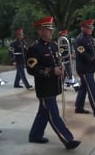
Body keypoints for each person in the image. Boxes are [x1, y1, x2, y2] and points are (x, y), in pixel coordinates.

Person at [26, 16, 80, 149]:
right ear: (40, 31)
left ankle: (35, 135)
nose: (51, 32)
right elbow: (31, 69)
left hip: (54, 85)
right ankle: (68, 139)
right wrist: (51, 71)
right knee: (53, 114)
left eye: (51, 29)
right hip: (44, 88)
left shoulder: (54, 45)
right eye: (48, 29)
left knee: (43, 113)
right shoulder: (35, 48)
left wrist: (61, 69)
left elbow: (57, 62)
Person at [74, 19, 95, 119]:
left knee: (84, 88)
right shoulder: (79, 39)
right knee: (92, 88)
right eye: (89, 27)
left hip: (89, 68)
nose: (91, 29)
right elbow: (83, 54)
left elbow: (94, 50)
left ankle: (79, 107)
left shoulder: (90, 38)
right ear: (83, 28)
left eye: (92, 27)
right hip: (84, 69)